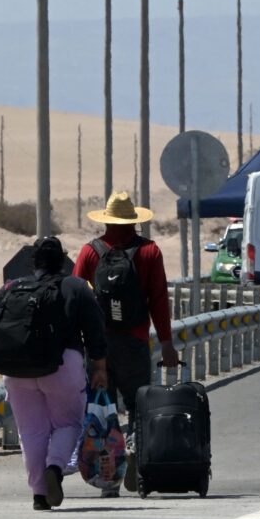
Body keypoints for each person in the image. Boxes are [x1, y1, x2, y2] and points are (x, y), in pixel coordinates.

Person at [0, 236, 108, 510]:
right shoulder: (75, 286)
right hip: (62, 365)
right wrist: (99, 366)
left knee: (31, 432)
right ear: (63, 261)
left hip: (16, 369)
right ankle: (55, 468)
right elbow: (96, 329)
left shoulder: (12, 286)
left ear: (33, 262)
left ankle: (40, 494)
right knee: (67, 424)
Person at [72, 191, 178, 495]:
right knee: (138, 407)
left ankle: (108, 481)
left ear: (106, 220)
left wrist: (77, 345)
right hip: (134, 341)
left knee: (102, 411)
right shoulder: (149, 251)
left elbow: (76, 297)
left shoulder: (90, 252)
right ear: (133, 220)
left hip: (98, 346)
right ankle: (134, 451)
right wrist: (167, 342)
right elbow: (158, 300)